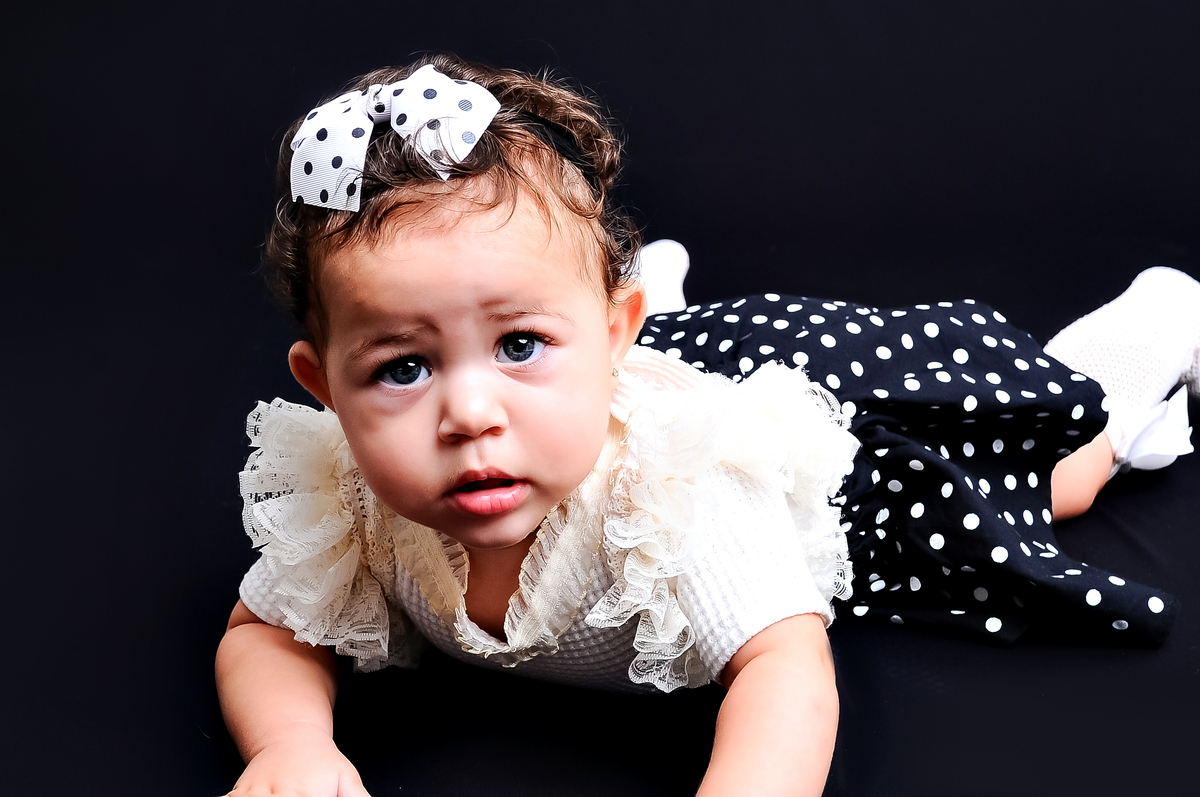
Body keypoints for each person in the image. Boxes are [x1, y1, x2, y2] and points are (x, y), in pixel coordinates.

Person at [215, 54, 1197, 796]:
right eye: (403, 367)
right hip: (627, 356)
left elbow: (785, 668)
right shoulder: (353, 500)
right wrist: (290, 742)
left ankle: (1152, 328)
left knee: (1052, 479)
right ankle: (643, 308)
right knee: (594, 341)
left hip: (832, 446)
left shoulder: (684, 498)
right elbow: (263, 632)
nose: (469, 415)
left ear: (610, 338)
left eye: (518, 344)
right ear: (325, 387)